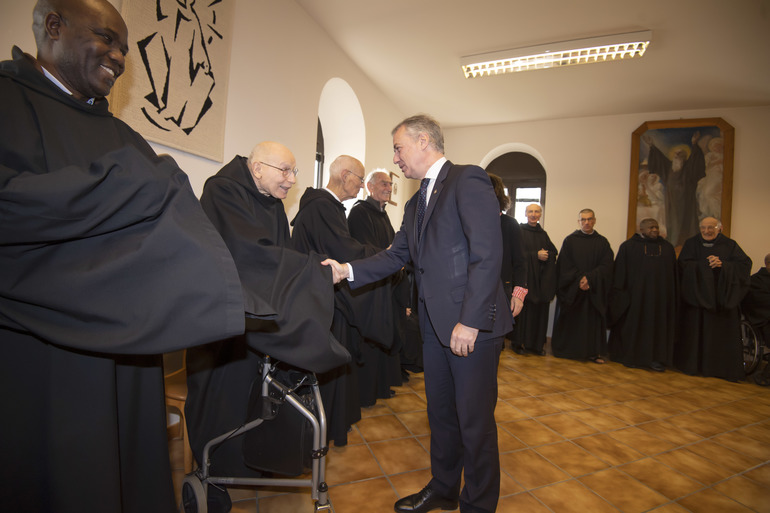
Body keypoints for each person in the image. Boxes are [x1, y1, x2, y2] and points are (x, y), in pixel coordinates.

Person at [0, 1, 261, 511]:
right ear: (53, 27)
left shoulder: (121, 134)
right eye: (106, 38)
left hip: (129, 346)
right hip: (44, 354)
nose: (120, 56)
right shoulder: (7, 101)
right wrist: (132, 181)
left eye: (124, 46)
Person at [323, 115, 511, 513]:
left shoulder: (468, 179)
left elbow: (487, 253)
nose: (395, 159)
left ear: (423, 141)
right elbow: (396, 256)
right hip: (434, 328)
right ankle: (444, 488)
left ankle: (477, 505)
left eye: (398, 148)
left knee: (474, 425)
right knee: (441, 417)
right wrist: (347, 270)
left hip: (470, 327)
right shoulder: (414, 203)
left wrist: (471, 320)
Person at [184, 142, 350, 509]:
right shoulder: (222, 190)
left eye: (294, 172)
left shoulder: (273, 203)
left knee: (257, 394)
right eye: (285, 171)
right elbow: (248, 255)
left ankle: (252, 463)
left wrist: (312, 269)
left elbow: (281, 256)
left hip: (256, 319)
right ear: (257, 168)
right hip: (221, 322)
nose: (292, 181)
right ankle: (212, 473)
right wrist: (314, 267)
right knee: (223, 399)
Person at [291, 155, 383, 446]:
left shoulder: (326, 207)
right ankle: (326, 427)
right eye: (359, 178)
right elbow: (343, 248)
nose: (361, 186)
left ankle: (331, 423)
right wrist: (384, 255)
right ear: (345, 176)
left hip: (324, 296)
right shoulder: (322, 207)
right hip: (320, 300)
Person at [347, 170, 405, 405]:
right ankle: (368, 390)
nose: (388, 187)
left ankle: (382, 384)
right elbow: (365, 248)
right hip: (370, 287)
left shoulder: (383, 214)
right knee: (372, 336)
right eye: (383, 183)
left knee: (387, 331)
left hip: (387, 284)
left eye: (390, 184)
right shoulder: (360, 213)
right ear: (370, 187)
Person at [675, 217, 752, 381]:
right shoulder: (691, 243)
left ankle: (721, 369)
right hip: (697, 300)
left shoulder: (730, 245)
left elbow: (744, 265)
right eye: (703, 228)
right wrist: (704, 266)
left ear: (720, 228)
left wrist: (723, 265)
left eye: (710, 228)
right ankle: (694, 366)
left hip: (722, 302)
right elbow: (683, 266)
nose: (706, 231)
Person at [608, 218, 677, 371]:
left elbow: (674, 275)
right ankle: (631, 357)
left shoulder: (667, 248)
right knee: (633, 327)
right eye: (651, 227)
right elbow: (619, 274)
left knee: (657, 329)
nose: (655, 230)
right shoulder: (628, 247)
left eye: (656, 227)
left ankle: (656, 359)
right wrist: (621, 296)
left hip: (660, 300)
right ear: (642, 229)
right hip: (635, 299)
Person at [551, 209, 614, 363]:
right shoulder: (570, 241)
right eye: (583, 219)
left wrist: (590, 279)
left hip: (594, 291)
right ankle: (568, 351)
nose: (586, 222)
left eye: (589, 219)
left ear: (594, 220)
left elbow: (607, 265)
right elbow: (564, 265)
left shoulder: (602, 242)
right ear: (578, 221)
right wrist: (579, 279)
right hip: (573, 290)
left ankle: (593, 353)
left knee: (592, 322)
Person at [643, 131, 706, 247]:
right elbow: (659, 158)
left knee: (689, 222)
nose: (677, 156)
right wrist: (652, 146)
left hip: (687, 201)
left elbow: (695, 159)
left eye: (681, 154)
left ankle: (689, 244)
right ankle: (674, 242)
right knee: (673, 222)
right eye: (676, 154)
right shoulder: (668, 168)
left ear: (685, 157)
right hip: (672, 201)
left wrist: (694, 144)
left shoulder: (689, 168)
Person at [487, 173, 528, 352]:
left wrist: (518, 295)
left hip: (500, 294)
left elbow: (520, 262)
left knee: (494, 345)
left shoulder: (510, 224)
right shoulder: (466, 222)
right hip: (470, 295)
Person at [517, 204, 558, 356]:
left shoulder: (543, 234)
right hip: (526, 280)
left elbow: (553, 251)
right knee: (524, 313)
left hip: (540, 282)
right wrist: (535, 255)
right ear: (525, 213)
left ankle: (536, 345)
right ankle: (519, 343)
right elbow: (517, 254)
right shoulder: (520, 231)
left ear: (540, 214)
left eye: (537, 211)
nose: (533, 214)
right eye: (530, 211)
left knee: (539, 314)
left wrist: (546, 255)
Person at [743, 253, 770, 385]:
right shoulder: (756, 281)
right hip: (763, 320)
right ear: (768, 264)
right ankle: (765, 376)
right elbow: (756, 302)